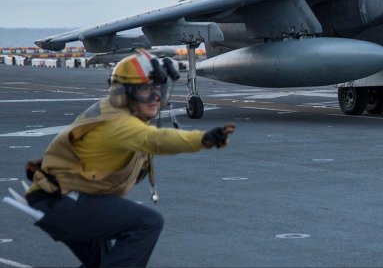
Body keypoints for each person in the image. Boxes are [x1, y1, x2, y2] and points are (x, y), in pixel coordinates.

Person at [24, 50, 236, 267]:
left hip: (62, 199)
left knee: (103, 262)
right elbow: (156, 139)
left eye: (158, 89)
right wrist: (203, 139)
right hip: (61, 201)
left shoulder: (115, 110)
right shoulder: (119, 123)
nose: (155, 97)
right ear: (123, 92)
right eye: (145, 89)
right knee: (148, 223)